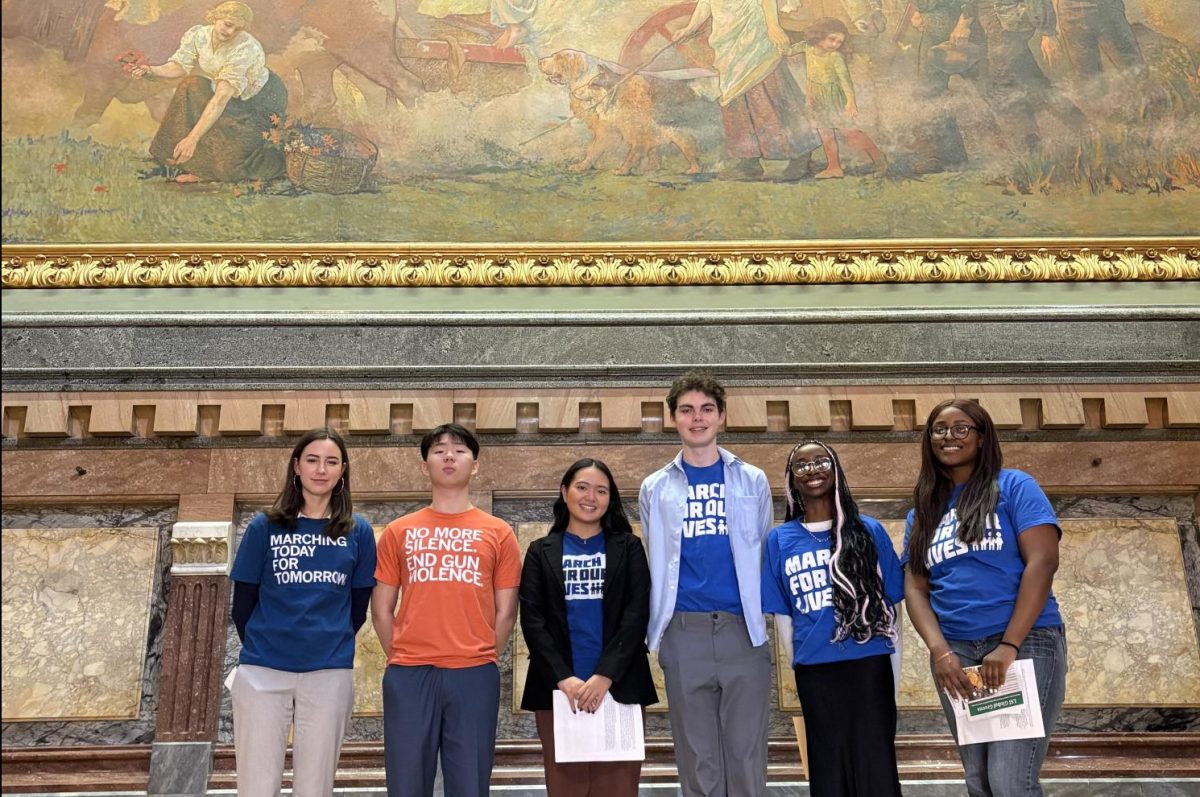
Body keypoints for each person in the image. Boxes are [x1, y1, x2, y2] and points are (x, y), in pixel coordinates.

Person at [903, 399, 1067, 797]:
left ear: (981, 437)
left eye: (961, 428)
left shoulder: (1014, 486)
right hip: (957, 655)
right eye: (939, 429)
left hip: (1024, 644)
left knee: (1010, 782)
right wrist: (940, 652)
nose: (949, 437)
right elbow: (915, 587)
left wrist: (1008, 645)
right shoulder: (922, 512)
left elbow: (1043, 561)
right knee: (979, 782)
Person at [639, 370, 774, 796]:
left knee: (746, 755)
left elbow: (764, 547)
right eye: (687, 410)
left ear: (721, 417)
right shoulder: (655, 487)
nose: (697, 419)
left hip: (742, 631)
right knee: (697, 757)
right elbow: (654, 556)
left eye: (706, 410)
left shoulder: (751, 480)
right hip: (684, 632)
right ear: (673, 419)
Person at [371, 423, 522, 797]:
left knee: (470, 784)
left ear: (475, 464)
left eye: (459, 450)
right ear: (425, 465)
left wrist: (481, 652)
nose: (449, 456)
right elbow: (382, 608)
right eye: (439, 450)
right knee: (406, 784)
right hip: (408, 674)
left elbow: (506, 611)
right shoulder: (399, 530)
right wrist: (404, 654)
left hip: (473, 673)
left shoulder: (498, 532)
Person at [228, 427, 377, 797]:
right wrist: (273, 642)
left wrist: (323, 641)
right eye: (312, 460)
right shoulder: (265, 527)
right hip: (262, 670)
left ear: (342, 471)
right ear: (296, 466)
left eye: (331, 462)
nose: (320, 469)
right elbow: (242, 603)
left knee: (316, 786)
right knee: (256, 786)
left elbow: (358, 608)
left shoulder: (358, 532)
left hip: (328, 672)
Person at [761, 440, 903, 797]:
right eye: (802, 465)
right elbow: (784, 617)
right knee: (827, 769)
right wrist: (800, 665)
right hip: (816, 671)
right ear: (791, 480)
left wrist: (893, 676)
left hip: (869, 664)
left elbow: (892, 611)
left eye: (822, 461)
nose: (813, 470)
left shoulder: (869, 530)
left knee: (876, 766)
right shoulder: (779, 540)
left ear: (836, 469)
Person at [519, 458, 658, 796]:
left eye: (601, 490)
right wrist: (564, 677)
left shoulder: (629, 547)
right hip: (559, 692)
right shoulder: (540, 552)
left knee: (618, 787)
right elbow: (533, 620)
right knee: (566, 787)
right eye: (582, 487)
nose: (590, 497)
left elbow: (636, 613)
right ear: (564, 492)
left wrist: (604, 675)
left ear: (610, 499)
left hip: (620, 688)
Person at [130, 1, 286, 183]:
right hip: (226, 92)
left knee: (229, 168)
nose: (230, 32)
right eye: (228, 24)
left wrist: (192, 138)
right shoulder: (199, 35)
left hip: (259, 101)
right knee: (190, 84)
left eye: (237, 29)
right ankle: (168, 158)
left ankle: (205, 170)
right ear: (215, 17)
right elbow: (178, 66)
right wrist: (151, 70)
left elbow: (220, 99)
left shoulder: (246, 49)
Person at [671, 0, 820, 180]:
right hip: (727, 36)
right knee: (735, 96)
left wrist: (773, 26)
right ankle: (749, 161)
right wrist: (690, 27)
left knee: (770, 88)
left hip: (753, 31)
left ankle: (801, 157)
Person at [796, 18, 888, 178]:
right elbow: (808, 73)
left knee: (849, 132)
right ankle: (834, 167)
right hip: (818, 98)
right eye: (832, 39)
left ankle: (879, 159)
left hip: (835, 99)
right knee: (826, 133)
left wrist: (851, 102)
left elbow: (846, 81)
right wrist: (809, 95)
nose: (835, 44)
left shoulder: (835, 57)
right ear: (819, 35)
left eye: (839, 42)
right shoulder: (807, 49)